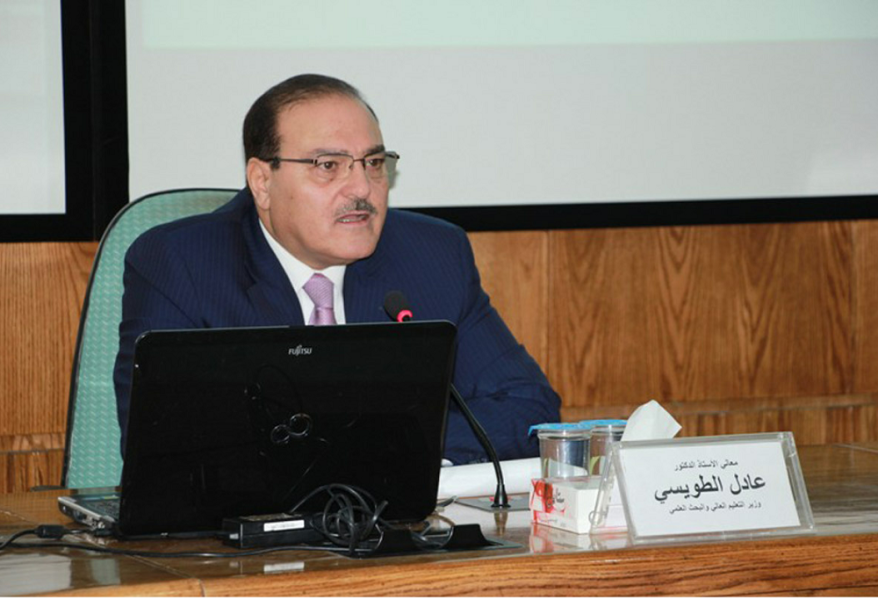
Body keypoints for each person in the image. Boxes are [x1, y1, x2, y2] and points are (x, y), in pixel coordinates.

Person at [113, 74, 560, 464]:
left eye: (374, 163)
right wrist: (377, 437)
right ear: (262, 182)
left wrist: (369, 441)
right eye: (328, 166)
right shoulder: (182, 264)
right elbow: (161, 440)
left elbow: (529, 410)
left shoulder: (432, 255)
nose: (362, 187)